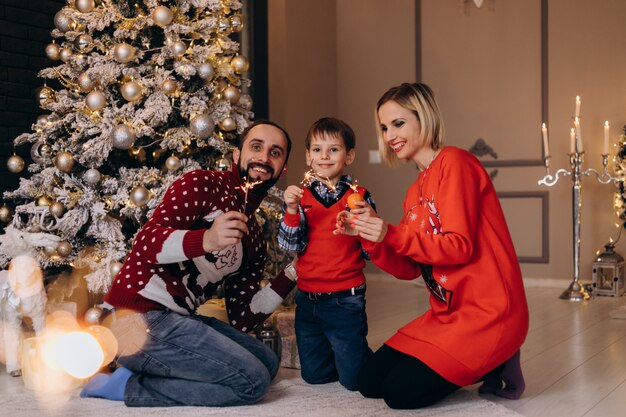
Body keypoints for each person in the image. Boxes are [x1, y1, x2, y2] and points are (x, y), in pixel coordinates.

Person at [335, 83, 529, 409]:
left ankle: (498, 356)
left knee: (399, 394)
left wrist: (390, 233)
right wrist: (370, 236)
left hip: (489, 313)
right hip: (445, 315)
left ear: (424, 119)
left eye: (398, 123)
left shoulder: (457, 163)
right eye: (384, 127)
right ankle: (479, 363)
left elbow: (458, 248)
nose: (389, 135)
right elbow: (411, 268)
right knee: (369, 382)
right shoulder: (415, 190)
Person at [80, 120, 298, 407]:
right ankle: (125, 385)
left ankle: (152, 368)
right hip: (132, 317)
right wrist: (206, 239)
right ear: (237, 155)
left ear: (282, 169)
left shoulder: (254, 239)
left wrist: (293, 274)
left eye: (275, 152)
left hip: (179, 320)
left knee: (267, 363)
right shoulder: (203, 184)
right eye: (256, 147)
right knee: (251, 383)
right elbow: (145, 243)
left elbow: (243, 316)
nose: (263, 157)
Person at [277, 117, 375, 391]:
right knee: (315, 376)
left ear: (349, 155)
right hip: (307, 299)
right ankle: (341, 352)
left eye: (334, 149)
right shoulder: (301, 197)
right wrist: (292, 211)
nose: (324, 156)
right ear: (308, 156)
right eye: (317, 150)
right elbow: (289, 245)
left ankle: (357, 357)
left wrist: (360, 226)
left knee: (355, 381)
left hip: (345, 298)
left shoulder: (359, 196)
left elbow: (370, 249)